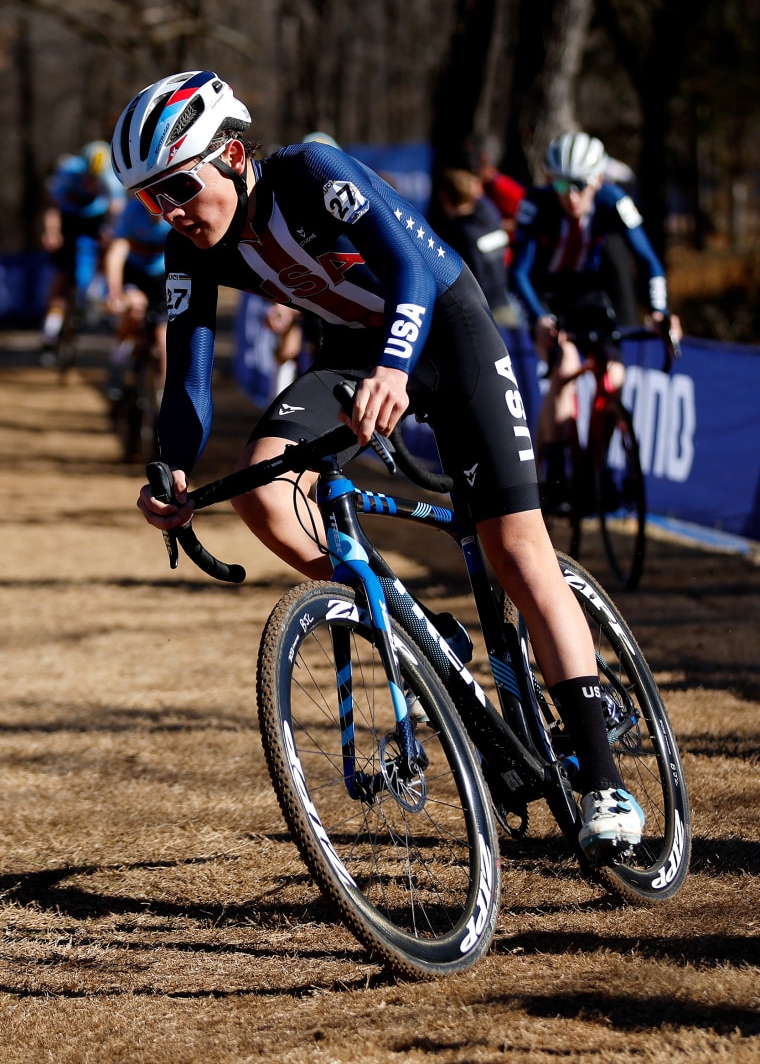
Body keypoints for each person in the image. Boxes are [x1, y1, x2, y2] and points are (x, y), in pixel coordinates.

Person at [112, 70, 646, 858]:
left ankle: (606, 784)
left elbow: (409, 271)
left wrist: (397, 369)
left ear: (230, 154)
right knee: (265, 487)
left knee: (518, 555)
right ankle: (415, 628)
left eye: (179, 188)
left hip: (446, 331)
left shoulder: (308, 175)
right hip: (358, 355)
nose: (173, 212)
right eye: (153, 200)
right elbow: (186, 374)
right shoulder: (187, 250)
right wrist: (172, 470)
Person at [510, 130, 678, 512]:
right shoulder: (536, 204)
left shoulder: (614, 201)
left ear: (598, 180)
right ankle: (552, 475)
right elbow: (517, 274)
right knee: (566, 366)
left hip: (590, 293)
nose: (570, 196)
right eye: (561, 184)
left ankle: (596, 473)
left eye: (580, 186)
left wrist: (659, 310)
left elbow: (650, 262)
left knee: (614, 378)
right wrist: (539, 318)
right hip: (546, 293)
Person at [39, 140, 125, 362]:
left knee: (108, 249)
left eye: (94, 180)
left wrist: (111, 232)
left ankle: (95, 292)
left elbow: (117, 210)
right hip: (69, 219)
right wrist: (52, 231)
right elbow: (52, 206)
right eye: (88, 177)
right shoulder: (68, 170)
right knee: (61, 275)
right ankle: (49, 335)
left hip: (93, 220)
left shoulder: (110, 177)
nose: (90, 183)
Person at [103, 193, 172, 404]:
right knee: (134, 310)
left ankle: (167, 396)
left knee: (164, 336)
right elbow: (116, 253)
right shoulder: (132, 212)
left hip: (161, 274)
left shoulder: (175, 214)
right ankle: (118, 368)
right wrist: (115, 293)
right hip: (134, 271)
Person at [434, 166, 510, 313]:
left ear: (445, 198)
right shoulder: (489, 214)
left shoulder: (460, 234)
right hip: (505, 297)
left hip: (483, 309)